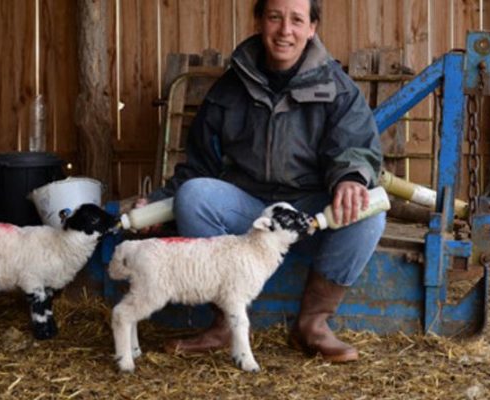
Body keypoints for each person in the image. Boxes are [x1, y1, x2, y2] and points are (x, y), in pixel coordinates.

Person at [140, 0, 385, 363]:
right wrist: (160, 202)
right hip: (250, 213)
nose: (285, 30)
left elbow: (355, 146)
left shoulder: (338, 89)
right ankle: (225, 323)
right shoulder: (230, 88)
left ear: (312, 28)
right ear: (259, 21)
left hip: (309, 215)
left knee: (367, 212)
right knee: (193, 196)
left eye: (297, 20)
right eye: (275, 17)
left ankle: (313, 324)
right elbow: (199, 164)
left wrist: (350, 178)